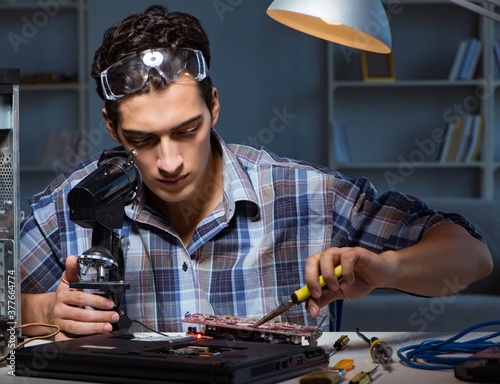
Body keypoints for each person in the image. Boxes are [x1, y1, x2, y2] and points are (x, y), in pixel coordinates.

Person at [20, 5, 492, 340]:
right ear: (112, 128)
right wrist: (39, 310)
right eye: (143, 140)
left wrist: (387, 268)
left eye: (187, 130)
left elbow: (472, 257)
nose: (169, 162)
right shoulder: (72, 205)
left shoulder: (309, 195)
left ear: (215, 107)